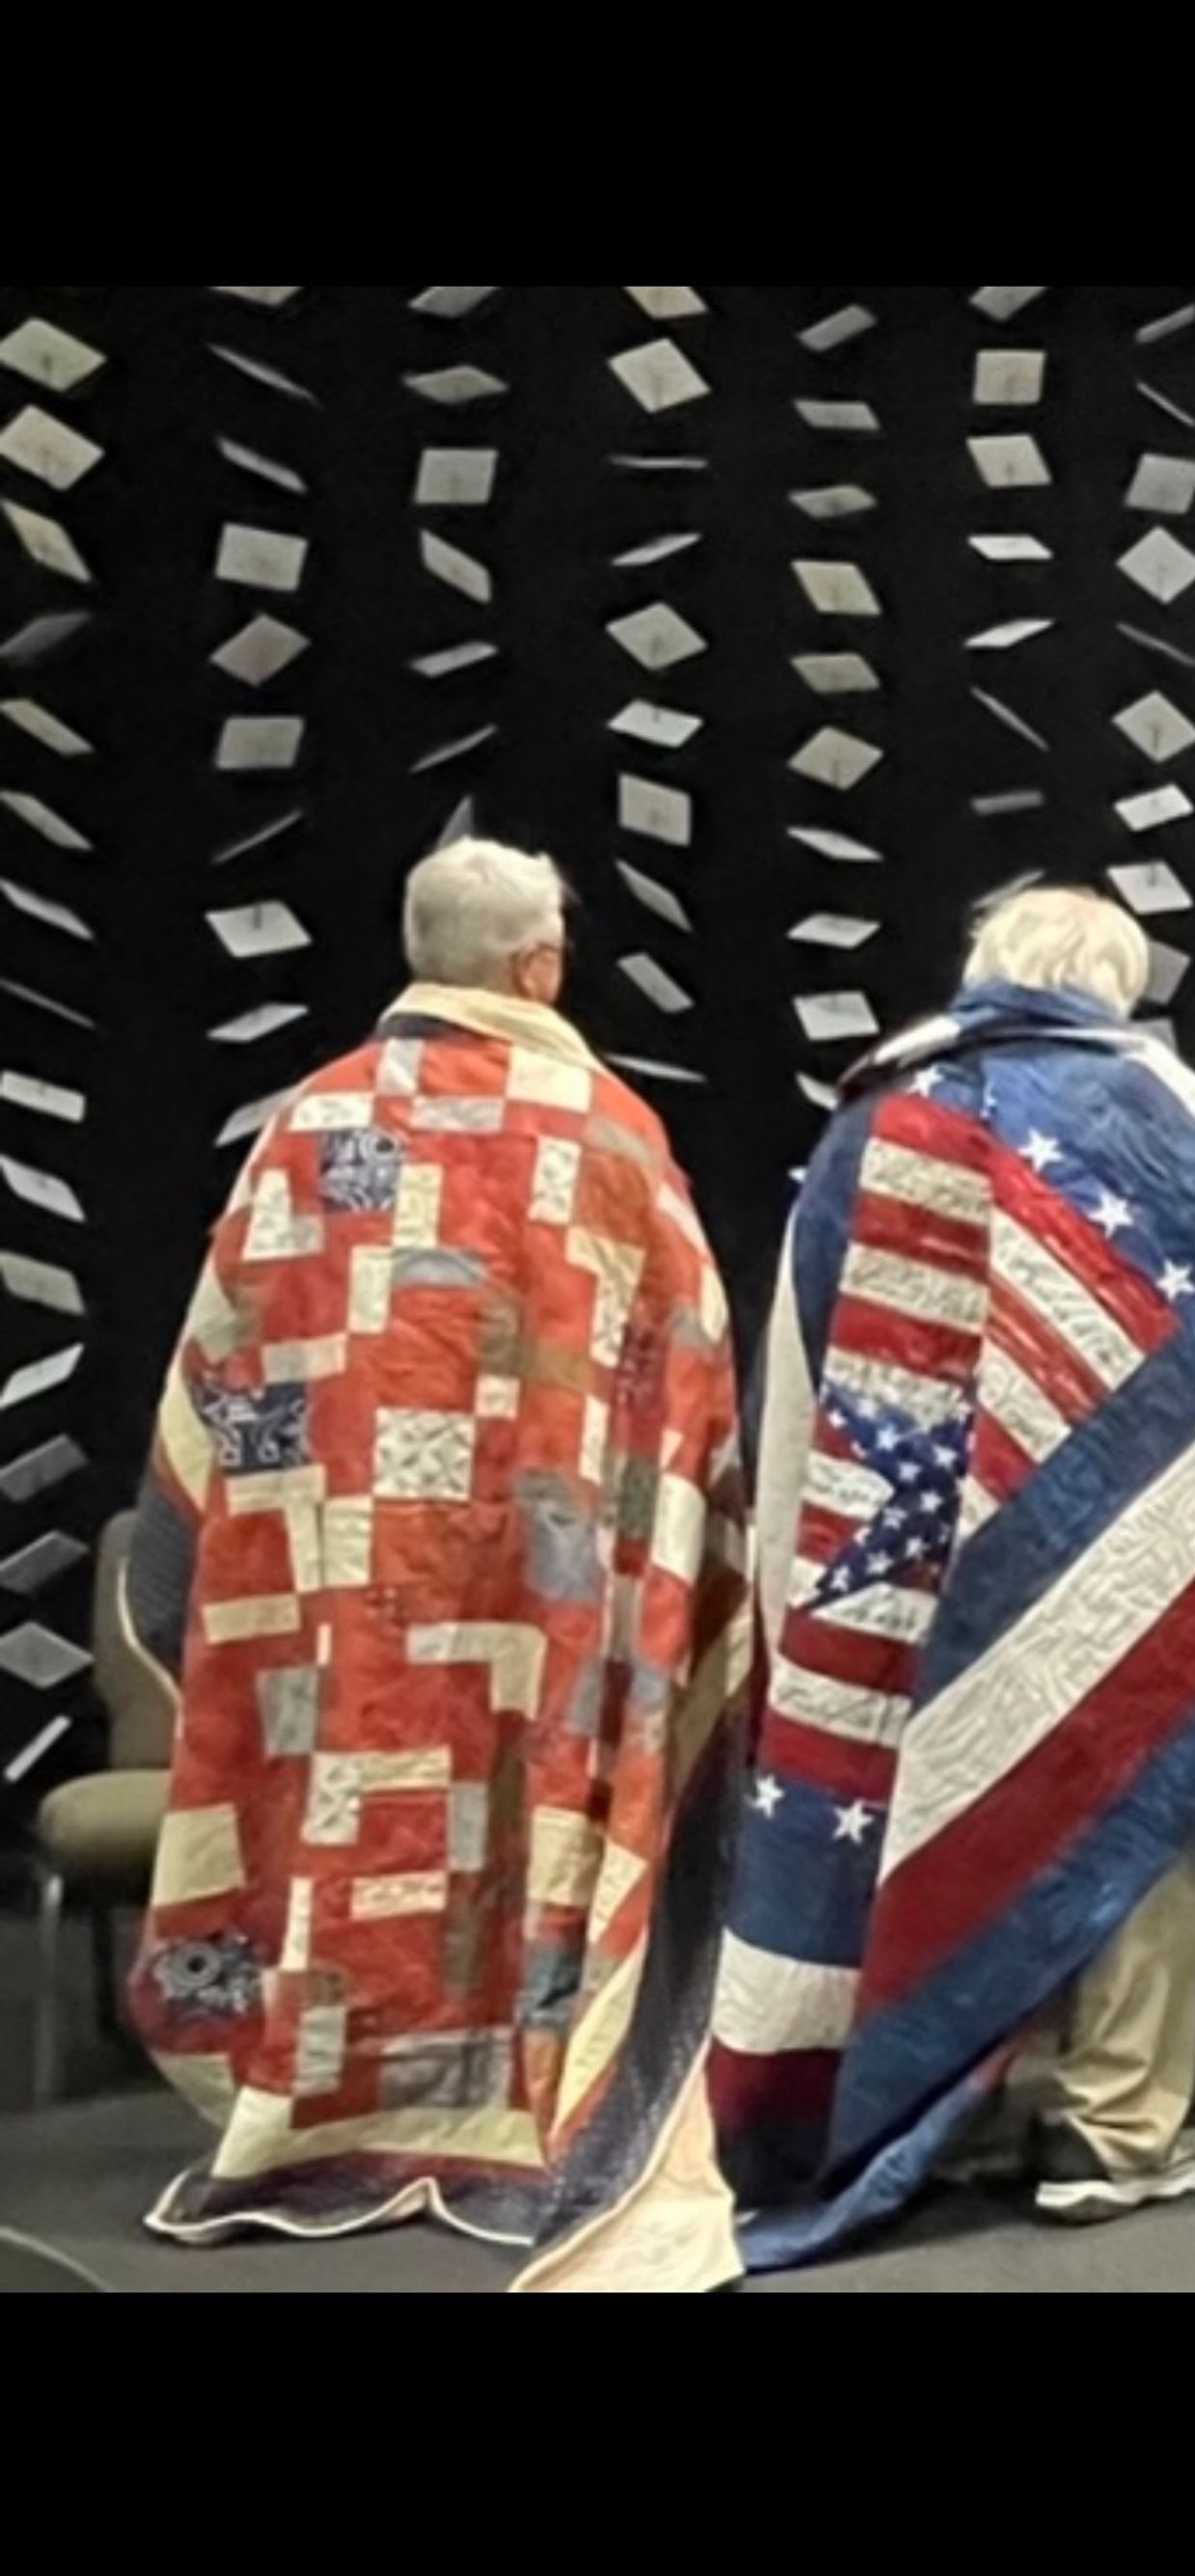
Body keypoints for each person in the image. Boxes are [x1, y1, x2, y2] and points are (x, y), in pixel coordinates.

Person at [121, 839, 752, 2290]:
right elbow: (687, 1387)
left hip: (341, 1599)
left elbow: (223, 1378)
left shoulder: (307, 1126)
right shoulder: (603, 1136)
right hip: (546, 1597)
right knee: (531, 1821)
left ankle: (332, 2097)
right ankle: (522, 2096)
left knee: (349, 1826)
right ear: (541, 966)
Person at [709, 888, 1195, 2260]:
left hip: (902, 1553)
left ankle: (933, 2094)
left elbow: (807, 1353)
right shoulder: (1170, 1118)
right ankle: (1113, 2125)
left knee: (942, 1804)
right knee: (1127, 1801)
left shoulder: (878, 1118)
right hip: (1130, 1554)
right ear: (1118, 987)